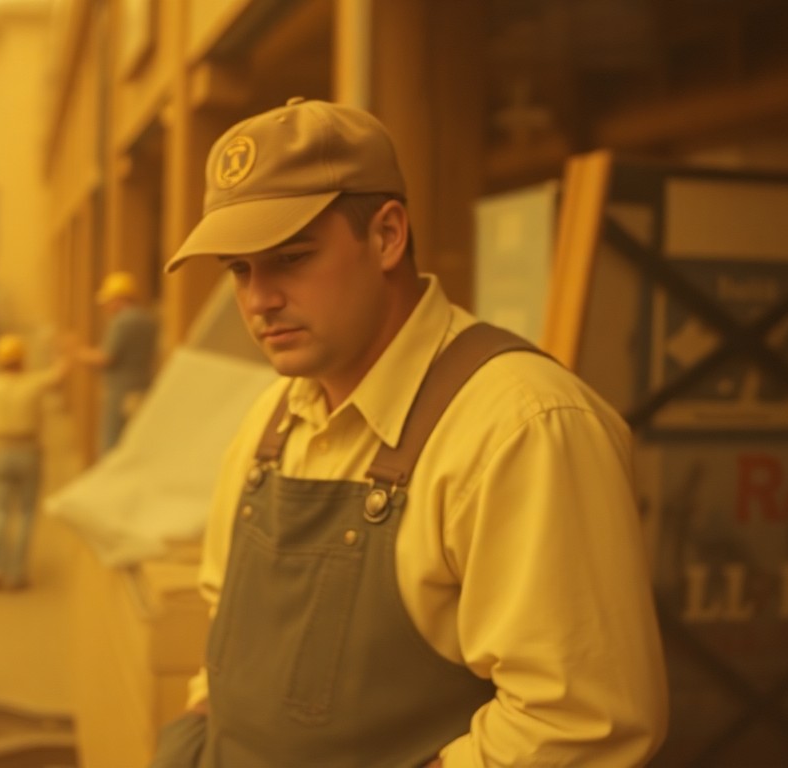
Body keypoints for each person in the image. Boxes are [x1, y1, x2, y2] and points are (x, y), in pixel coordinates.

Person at [150, 98, 667, 767]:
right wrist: (198, 727)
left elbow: (580, 724)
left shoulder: (522, 428)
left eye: (291, 257)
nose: (258, 299)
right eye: (240, 270)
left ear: (387, 235)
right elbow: (228, 629)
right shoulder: (270, 419)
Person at [0, 334, 69, 590]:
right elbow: (59, 375)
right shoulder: (32, 383)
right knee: (25, 513)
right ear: (22, 360)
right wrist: (65, 351)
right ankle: (16, 574)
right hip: (28, 451)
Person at [71, 270, 158, 454]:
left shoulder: (122, 322)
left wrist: (79, 353)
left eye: (108, 301)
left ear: (119, 299)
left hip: (120, 392)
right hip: (143, 387)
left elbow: (106, 357)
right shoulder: (148, 319)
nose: (106, 307)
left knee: (111, 444)